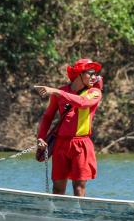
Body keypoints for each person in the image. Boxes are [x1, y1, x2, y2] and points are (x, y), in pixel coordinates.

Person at [34, 58, 104, 197]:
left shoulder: (95, 92)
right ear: (79, 74)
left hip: (81, 144)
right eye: (90, 73)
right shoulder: (61, 92)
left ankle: (79, 211)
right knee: (58, 188)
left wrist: (56, 91)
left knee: (79, 187)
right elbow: (48, 117)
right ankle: (58, 211)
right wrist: (41, 138)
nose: (94, 77)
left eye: (95, 74)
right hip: (60, 144)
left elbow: (82, 102)